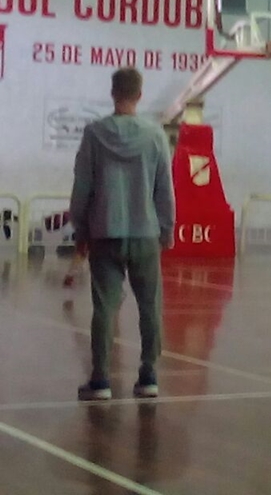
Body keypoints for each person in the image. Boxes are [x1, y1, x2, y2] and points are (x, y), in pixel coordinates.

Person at [70, 67, 175, 401]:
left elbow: (82, 186)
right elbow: (164, 189)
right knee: (150, 305)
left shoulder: (94, 134)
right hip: (145, 232)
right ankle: (148, 374)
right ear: (140, 95)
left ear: (113, 92)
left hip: (104, 231)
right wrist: (167, 228)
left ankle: (100, 379)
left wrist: (80, 228)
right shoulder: (155, 135)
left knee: (104, 307)